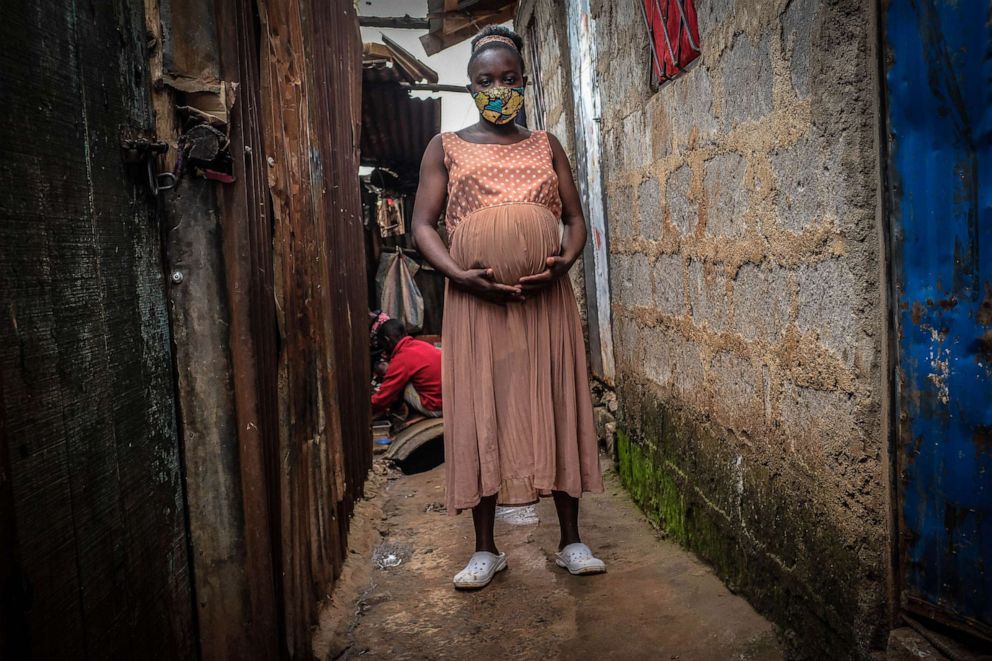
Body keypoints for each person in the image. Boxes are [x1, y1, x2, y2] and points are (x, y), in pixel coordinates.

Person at [410, 25, 605, 590]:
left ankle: (571, 539)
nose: (498, 88)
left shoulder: (546, 144)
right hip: (476, 303)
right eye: (485, 80)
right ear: (470, 87)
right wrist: (458, 277)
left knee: (557, 398)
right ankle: (484, 550)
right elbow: (423, 224)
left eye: (509, 79)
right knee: (482, 408)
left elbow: (574, 218)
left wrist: (563, 263)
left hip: (546, 302)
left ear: (525, 81)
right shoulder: (444, 147)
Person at [371, 319, 442, 418]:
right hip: (447, 402)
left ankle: (400, 412)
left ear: (387, 340)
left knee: (401, 385)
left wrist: (368, 406)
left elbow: (383, 398)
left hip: (435, 408)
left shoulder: (402, 358)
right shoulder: (421, 344)